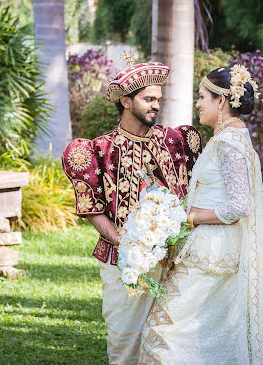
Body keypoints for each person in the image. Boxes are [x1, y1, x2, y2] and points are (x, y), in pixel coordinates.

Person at [61, 58, 202, 364]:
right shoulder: (100, 149)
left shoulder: (175, 142)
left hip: (173, 262)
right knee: (125, 348)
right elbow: (93, 209)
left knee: (170, 345)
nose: (156, 105)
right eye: (148, 99)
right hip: (122, 263)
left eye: (158, 100)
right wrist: (124, 243)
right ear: (126, 101)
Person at [139, 65, 263, 364]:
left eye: (202, 96)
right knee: (204, 342)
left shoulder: (229, 143)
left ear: (222, 101)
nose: (198, 103)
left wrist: (190, 217)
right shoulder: (227, 139)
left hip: (211, 255)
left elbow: (239, 205)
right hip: (210, 253)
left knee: (164, 335)